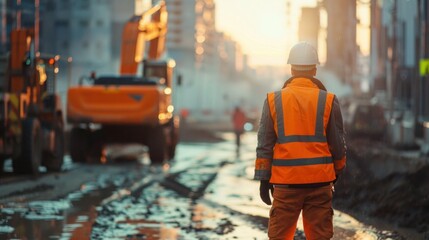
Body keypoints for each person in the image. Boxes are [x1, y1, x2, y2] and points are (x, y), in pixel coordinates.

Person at [254, 42, 347, 240]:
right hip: (320, 183)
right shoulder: (329, 100)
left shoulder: (273, 100)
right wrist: (337, 171)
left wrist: (263, 178)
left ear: (291, 68)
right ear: (315, 69)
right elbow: (337, 144)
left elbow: (264, 145)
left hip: (286, 184)